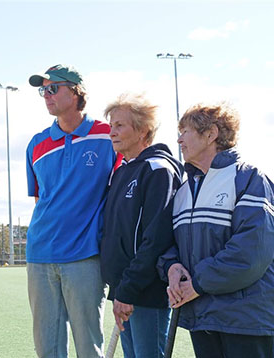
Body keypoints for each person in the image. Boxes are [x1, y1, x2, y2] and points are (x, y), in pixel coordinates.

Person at [157, 103, 274, 358]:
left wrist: (197, 284)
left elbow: (251, 253)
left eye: (184, 131)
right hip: (202, 317)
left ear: (210, 134)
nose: (179, 139)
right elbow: (170, 244)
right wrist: (172, 267)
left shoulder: (249, 178)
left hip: (245, 320)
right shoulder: (184, 190)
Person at [25, 64, 121, 358]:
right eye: (43, 90)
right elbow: (42, 199)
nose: (46, 95)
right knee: (48, 349)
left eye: (53, 88)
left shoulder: (108, 136)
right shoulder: (36, 144)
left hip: (85, 256)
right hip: (39, 256)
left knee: (89, 347)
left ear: (76, 92)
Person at [100, 94, 183, 358]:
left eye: (120, 125)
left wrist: (129, 289)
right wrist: (119, 289)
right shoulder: (122, 170)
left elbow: (156, 239)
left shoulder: (158, 170)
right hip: (125, 290)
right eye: (111, 125)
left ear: (143, 130)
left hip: (145, 292)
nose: (111, 132)